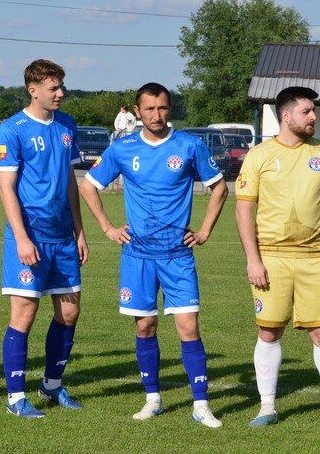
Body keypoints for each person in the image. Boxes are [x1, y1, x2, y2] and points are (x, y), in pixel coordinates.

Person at [79, 82, 229, 428]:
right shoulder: (123, 148)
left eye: (162, 108)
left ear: (169, 108)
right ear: (137, 111)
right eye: (149, 109)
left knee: (188, 327)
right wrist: (108, 228)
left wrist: (204, 231)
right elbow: (88, 186)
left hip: (178, 255)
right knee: (145, 326)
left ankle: (201, 404)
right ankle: (153, 399)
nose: (156, 115)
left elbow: (219, 188)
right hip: (138, 255)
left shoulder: (189, 145)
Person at [234, 86, 320, 431]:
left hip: (316, 258)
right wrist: (252, 259)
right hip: (271, 258)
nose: (314, 116)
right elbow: (244, 210)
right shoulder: (258, 155)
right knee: (269, 331)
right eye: (307, 111)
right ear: (285, 115)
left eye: (313, 110)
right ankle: (267, 407)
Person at [0, 59, 88, 418]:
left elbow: (70, 181)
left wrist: (79, 232)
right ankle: (15, 398)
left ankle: (51, 384)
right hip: (30, 236)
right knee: (25, 312)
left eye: (61, 86)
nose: (60, 93)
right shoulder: (11, 130)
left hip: (62, 237)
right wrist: (20, 238)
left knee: (70, 311)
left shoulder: (67, 124)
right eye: (53, 88)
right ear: (33, 90)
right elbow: (6, 188)